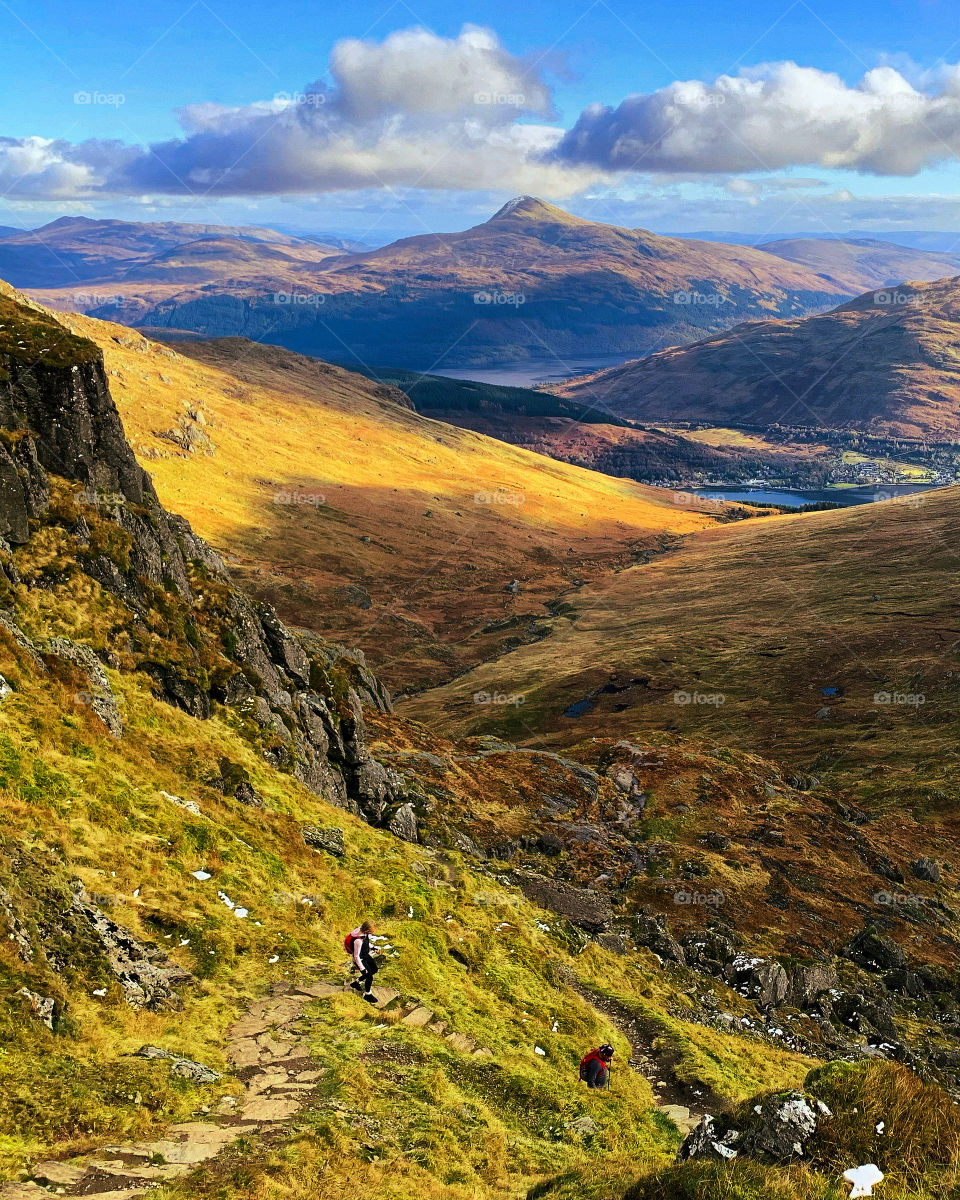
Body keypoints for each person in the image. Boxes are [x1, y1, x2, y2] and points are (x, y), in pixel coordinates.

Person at [346, 920, 380, 1004]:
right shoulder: (357, 940)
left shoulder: (363, 932)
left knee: (374, 969)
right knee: (369, 976)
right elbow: (356, 956)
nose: (373, 931)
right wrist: (362, 969)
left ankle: (356, 983)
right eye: (372, 930)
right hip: (360, 959)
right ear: (367, 930)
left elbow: (365, 942)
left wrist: (373, 947)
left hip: (365, 955)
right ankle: (367, 995)